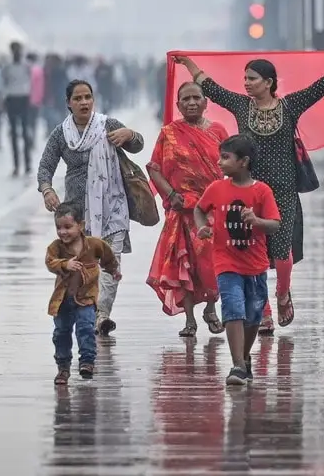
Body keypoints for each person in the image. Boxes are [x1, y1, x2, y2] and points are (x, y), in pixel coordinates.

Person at [173, 51, 324, 333]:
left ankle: (282, 293)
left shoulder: (290, 106)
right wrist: (188, 63)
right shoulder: (241, 106)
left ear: (268, 82)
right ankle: (263, 310)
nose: (246, 83)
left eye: (252, 79)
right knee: (253, 250)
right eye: (244, 78)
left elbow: (323, 85)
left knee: (281, 248)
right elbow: (210, 87)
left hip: (283, 190)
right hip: (247, 190)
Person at [37, 79, 144, 337]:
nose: (84, 102)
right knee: (85, 263)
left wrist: (130, 135)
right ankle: (86, 309)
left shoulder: (107, 125)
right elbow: (45, 168)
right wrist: (47, 190)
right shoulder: (61, 134)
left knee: (111, 261)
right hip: (78, 212)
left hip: (113, 205)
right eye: (78, 98)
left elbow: (138, 145)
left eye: (88, 97)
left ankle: (102, 314)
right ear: (68, 103)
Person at [195, 134, 281, 386]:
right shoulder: (216, 188)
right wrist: (202, 227)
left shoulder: (262, 191)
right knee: (233, 308)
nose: (219, 162)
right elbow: (200, 209)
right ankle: (237, 365)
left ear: (243, 162)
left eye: (225, 157)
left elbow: (274, 225)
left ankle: (244, 358)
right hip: (225, 262)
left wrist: (256, 222)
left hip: (255, 265)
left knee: (254, 314)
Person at [145, 80, 225, 336]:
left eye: (196, 98)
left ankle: (211, 309)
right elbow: (155, 168)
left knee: (212, 262)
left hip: (211, 209)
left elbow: (231, 165)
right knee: (184, 265)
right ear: (178, 105)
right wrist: (170, 194)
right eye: (186, 99)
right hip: (181, 210)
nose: (191, 103)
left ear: (205, 102)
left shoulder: (218, 132)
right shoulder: (168, 133)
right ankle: (189, 320)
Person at [45, 201, 120, 385]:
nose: (63, 232)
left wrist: (113, 270)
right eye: (59, 228)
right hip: (62, 301)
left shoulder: (93, 245)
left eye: (68, 227)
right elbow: (50, 262)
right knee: (61, 333)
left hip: (86, 299)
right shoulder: (56, 247)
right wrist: (64, 264)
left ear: (81, 225)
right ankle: (63, 367)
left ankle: (87, 362)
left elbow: (108, 256)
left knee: (86, 329)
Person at [3, 41, 34, 177]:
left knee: (25, 132)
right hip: (11, 99)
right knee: (14, 134)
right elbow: (4, 83)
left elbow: (31, 81)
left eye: (18, 50)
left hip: (23, 98)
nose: (16, 53)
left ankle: (27, 164)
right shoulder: (7, 66)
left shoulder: (27, 66)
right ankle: (16, 165)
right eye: (14, 50)